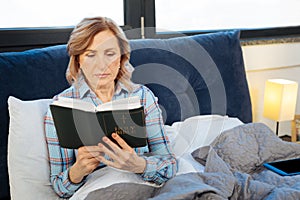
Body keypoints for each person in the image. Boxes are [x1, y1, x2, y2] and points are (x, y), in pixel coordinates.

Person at [44, 16, 177, 198]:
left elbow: (170, 165)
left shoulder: (142, 97)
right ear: (78, 60)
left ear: (122, 57)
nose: (102, 64)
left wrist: (139, 165)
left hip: (143, 187)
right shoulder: (60, 107)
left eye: (110, 53)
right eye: (91, 55)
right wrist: (77, 171)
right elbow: (59, 187)